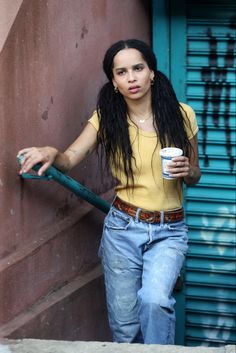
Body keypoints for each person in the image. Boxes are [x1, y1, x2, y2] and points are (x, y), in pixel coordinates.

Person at [18, 39, 201, 345]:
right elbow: (70, 157)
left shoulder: (182, 114)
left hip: (169, 230)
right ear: (114, 81)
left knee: (155, 301)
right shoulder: (107, 118)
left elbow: (195, 175)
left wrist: (188, 170)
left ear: (152, 72)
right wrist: (51, 152)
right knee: (125, 326)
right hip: (122, 229)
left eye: (138, 68)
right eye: (122, 72)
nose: (131, 78)